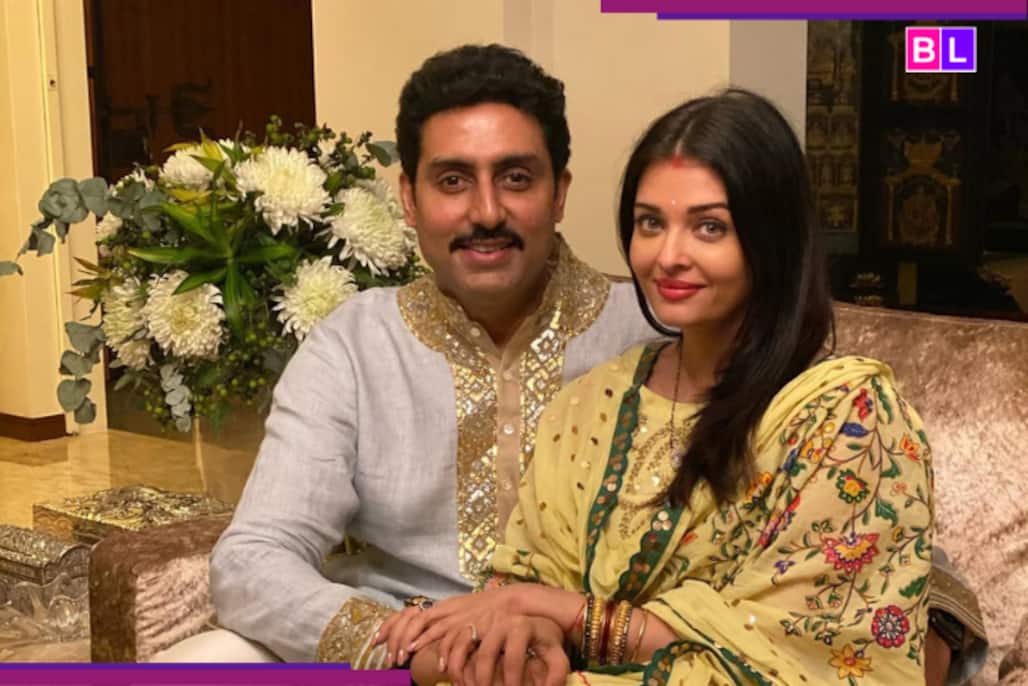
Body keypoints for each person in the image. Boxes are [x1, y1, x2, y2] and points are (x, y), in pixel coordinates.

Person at [157, 46, 982, 684]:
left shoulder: (661, 326)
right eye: (453, 180)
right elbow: (253, 558)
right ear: (408, 198)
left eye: (516, 178)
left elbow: (876, 565)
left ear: (560, 192)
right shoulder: (353, 343)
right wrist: (398, 644)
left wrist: (926, 632)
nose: (486, 211)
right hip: (402, 648)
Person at [373, 89, 957, 686]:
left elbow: (808, 652)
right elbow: (524, 582)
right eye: (651, 223)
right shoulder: (593, 403)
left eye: (710, 227)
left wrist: (569, 615)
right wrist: (529, 629)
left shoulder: (848, 417)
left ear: (773, 238)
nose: (669, 256)